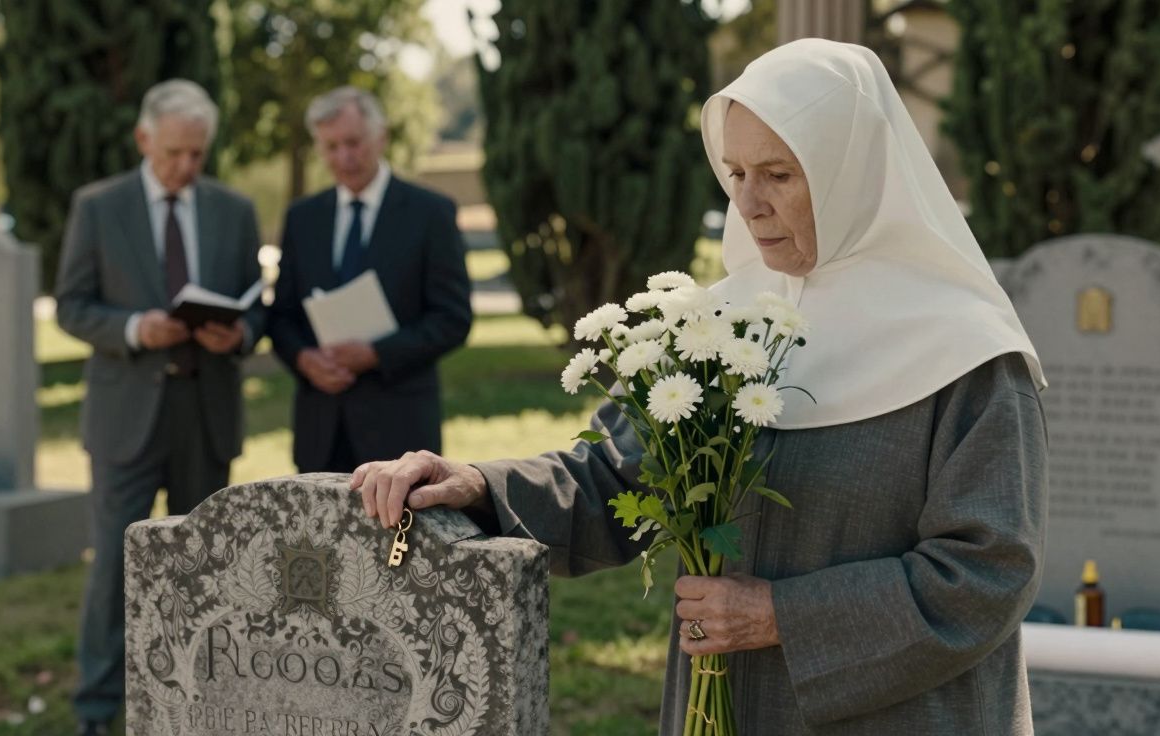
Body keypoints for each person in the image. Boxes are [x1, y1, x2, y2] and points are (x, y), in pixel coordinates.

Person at [352, 39, 1048, 735]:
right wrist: (478, 484)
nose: (747, 203)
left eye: (778, 174)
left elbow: (986, 573)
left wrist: (780, 616)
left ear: (854, 172)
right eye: (736, 171)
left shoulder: (969, 354)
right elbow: (611, 479)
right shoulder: (724, 324)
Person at [55, 79, 264, 736]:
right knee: (114, 568)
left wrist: (241, 333)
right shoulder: (98, 206)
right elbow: (72, 305)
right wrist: (135, 330)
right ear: (144, 140)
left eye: (197, 154)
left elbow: (256, 305)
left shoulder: (234, 210)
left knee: (206, 569)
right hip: (125, 417)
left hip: (205, 414)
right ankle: (98, 708)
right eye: (174, 152)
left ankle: (200, 703)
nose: (185, 166)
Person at [267, 86, 473, 473]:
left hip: (401, 430)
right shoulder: (303, 218)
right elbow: (281, 316)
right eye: (330, 146)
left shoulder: (430, 213)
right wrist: (304, 359)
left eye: (353, 142)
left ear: (382, 137)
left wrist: (376, 353)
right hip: (320, 429)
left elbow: (453, 318)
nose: (344, 157)